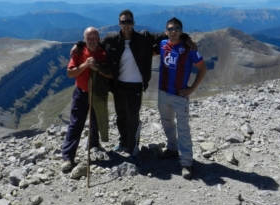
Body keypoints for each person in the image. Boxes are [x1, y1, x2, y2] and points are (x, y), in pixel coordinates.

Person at [74, 9, 195, 160]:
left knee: (133, 117)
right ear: (119, 24)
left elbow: (168, 34)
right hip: (119, 85)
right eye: (123, 22)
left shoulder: (144, 37)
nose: (126, 25)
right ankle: (123, 142)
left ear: (133, 23)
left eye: (129, 21)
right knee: (121, 116)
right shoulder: (111, 39)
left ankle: (133, 148)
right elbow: (94, 43)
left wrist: (186, 38)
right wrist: (79, 45)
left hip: (136, 85)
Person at [154, 17, 207, 180]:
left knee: (183, 128)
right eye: (170, 29)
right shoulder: (162, 45)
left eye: (177, 28)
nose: (174, 31)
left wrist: (192, 88)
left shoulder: (189, 48)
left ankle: (186, 162)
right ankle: (172, 148)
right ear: (166, 31)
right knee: (166, 122)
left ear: (181, 31)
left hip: (179, 95)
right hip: (162, 92)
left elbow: (203, 68)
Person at [61, 27, 112, 172]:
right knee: (76, 124)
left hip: (98, 94)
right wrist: (85, 65)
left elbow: (112, 75)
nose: (92, 41)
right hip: (81, 93)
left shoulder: (104, 53)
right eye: (89, 38)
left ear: (99, 38)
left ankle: (94, 145)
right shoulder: (78, 52)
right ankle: (68, 157)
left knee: (96, 122)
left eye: (95, 38)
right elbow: (70, 73)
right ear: (84, 39)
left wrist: (97, 67)